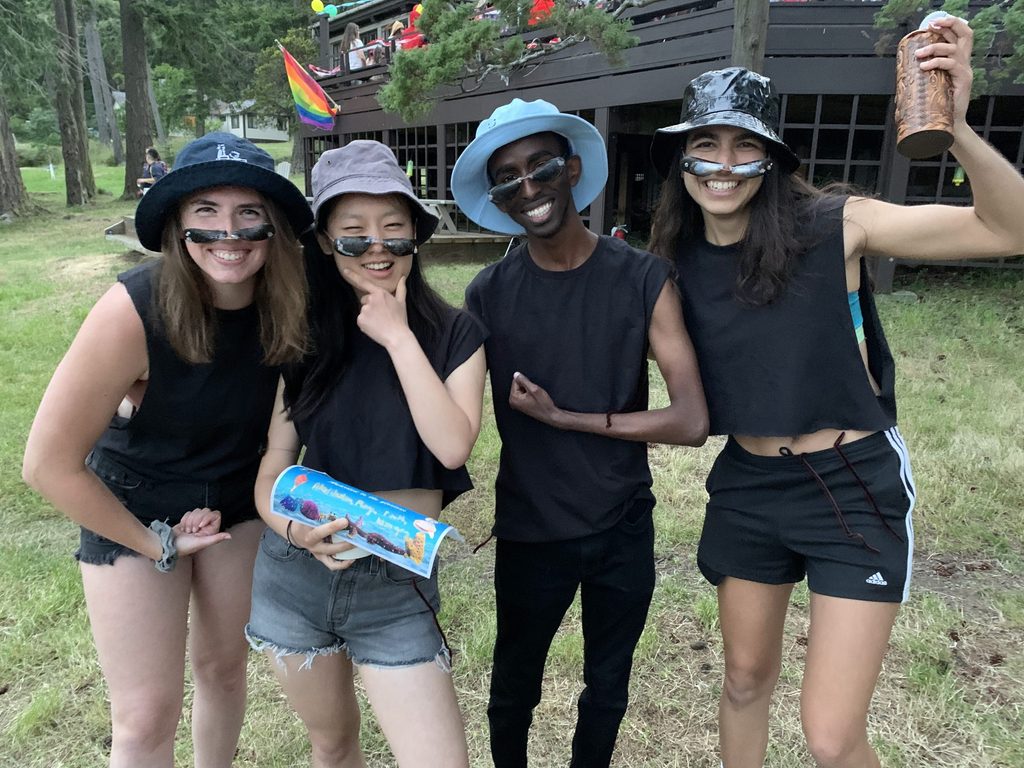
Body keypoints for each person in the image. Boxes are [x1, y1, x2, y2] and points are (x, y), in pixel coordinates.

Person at [646, 17, 1024, 768]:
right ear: (682, 157)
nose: (723, 166)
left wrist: (957, 128)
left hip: (851, 486)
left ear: (773, 158)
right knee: (745, 679)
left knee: (829, 734)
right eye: (706, 146)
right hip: (750, 485)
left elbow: (1005, 229)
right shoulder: (671, 260)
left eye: (745, 147)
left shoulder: (834, 225)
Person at [22, 132, 312, 768]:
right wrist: (155, 542)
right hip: (133, 503)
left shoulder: (291, 303)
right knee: (146, 714)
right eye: (205, 212)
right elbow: (46, 462)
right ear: (179, 225)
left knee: (224, 669)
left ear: (274, 227)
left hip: (235, 501)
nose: (227, 233)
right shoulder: (133, 308)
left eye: (249, 214)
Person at [450, 99, 709, 767]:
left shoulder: (643, 278)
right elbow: (445, 411)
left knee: (608, 687)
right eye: (507, 178)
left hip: (622, 523)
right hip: (533, 529)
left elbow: (691, 419)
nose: (528, 189)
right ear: (497, 196)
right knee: (512, 690)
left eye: (539, 168)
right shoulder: (489, 294)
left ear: (570, 169)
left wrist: (566, 418)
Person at [245, 140, 486, 768]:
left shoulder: (453, 332)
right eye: (352, 234)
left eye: (393, 231)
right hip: (296, 574)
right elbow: (274, 463)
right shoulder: (300, 333)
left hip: (396, 580)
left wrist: (398, 337)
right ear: (324, 241)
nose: (375, 248)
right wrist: (292, 531)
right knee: (332, 745)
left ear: (415, 237)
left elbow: (453, 443)